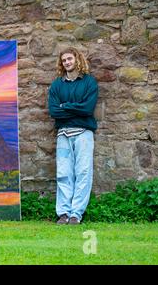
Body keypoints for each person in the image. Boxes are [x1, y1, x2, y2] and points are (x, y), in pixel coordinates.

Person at [48, 47, 99, 225]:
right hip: (63, 134)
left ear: (77, 60)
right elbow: (54, 111)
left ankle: (76, 214)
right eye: (64, 60)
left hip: (84, 133)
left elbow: (88, 109)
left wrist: (65, 106)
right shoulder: (57, 85)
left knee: (83, 172)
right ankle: (63, 213)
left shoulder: (89, 82)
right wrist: (73, 108)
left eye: (69, 59)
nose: (67, 62)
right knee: (63, 173)